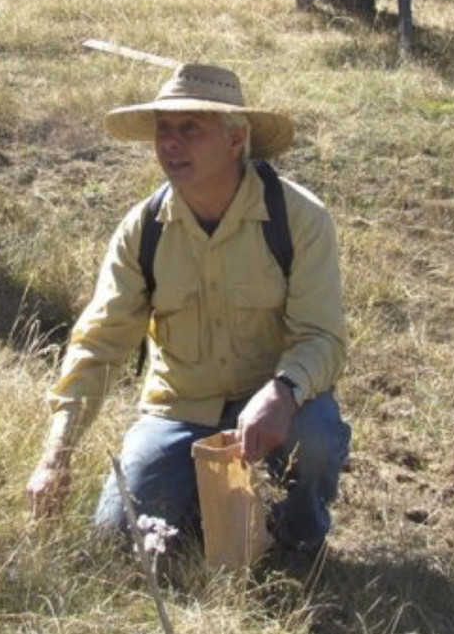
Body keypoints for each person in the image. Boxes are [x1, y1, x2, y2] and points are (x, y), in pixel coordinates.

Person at [26, 63, 351, 554]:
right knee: (119, 537)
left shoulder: (300, 218)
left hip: (273, 402)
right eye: (164, 130)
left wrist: (283, 392)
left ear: (236, 138)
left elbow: (322, 337)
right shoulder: (143, 229)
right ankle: (216, 515)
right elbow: (99, 343)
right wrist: (56, 454)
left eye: (190, 129)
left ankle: (298, 540)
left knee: (318, 435)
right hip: (177, 411)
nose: (171, 143)